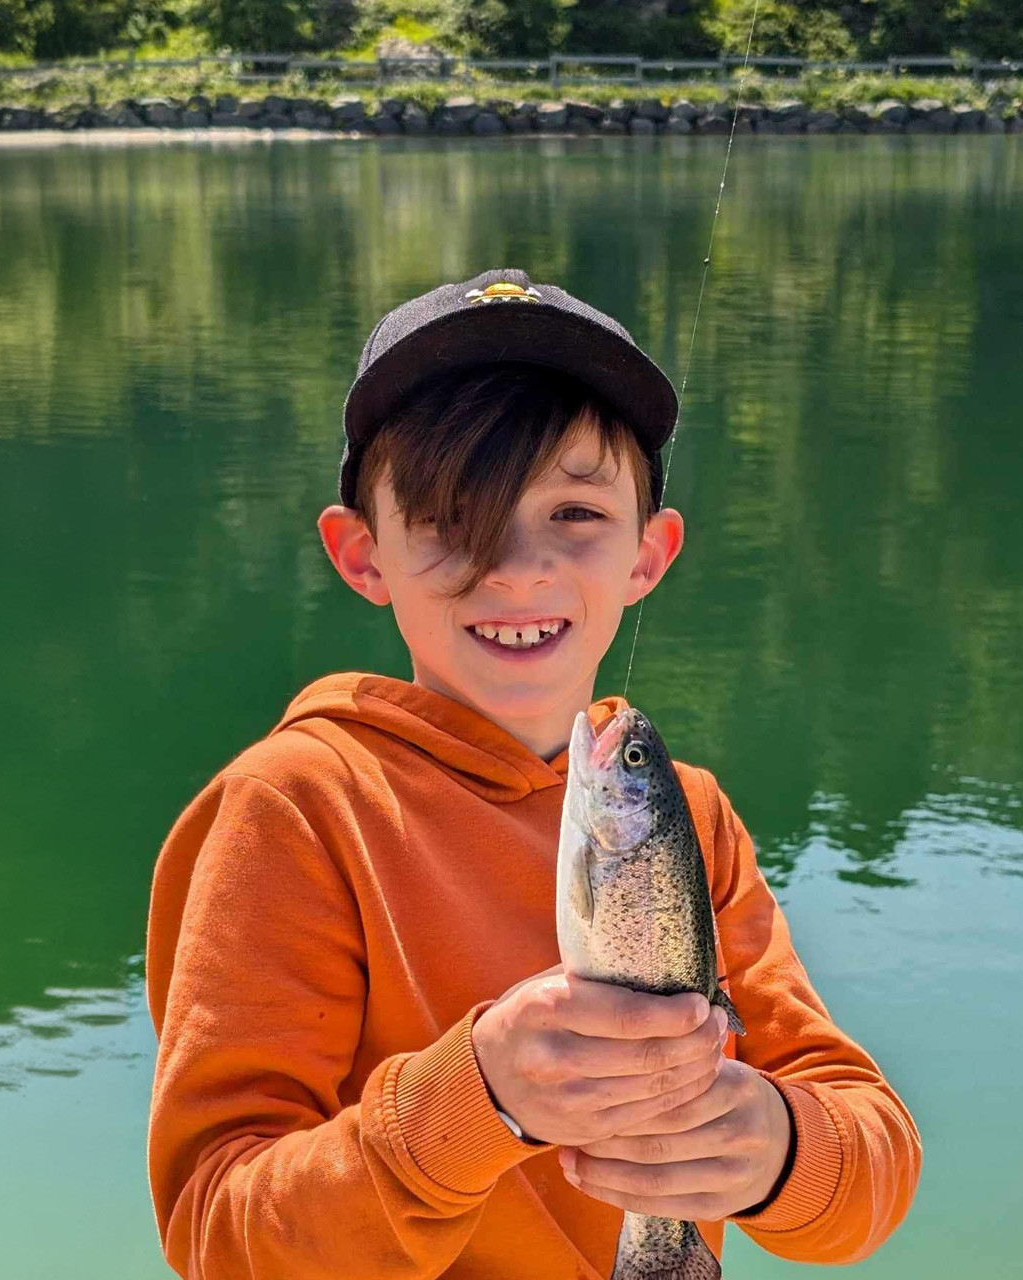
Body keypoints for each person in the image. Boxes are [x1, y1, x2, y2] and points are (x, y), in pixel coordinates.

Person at [144, 268, 921, 1279]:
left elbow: (868, 1171)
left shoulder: (690, 812)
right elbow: (221, 1236)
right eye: (452, 515)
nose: (516, 567)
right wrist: (480, 1098)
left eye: (576, 514)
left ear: (649, 553)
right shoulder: (294, 808)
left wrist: (777, 1146)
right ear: (362, 553)